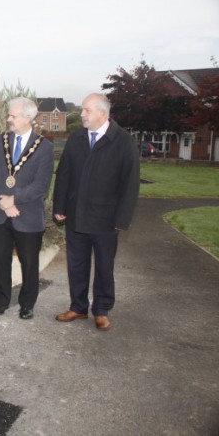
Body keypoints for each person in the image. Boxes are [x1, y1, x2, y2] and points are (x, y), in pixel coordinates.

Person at [53, 93, 140, 331]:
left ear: (102, 113)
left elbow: (130, 183)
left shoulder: (122, 141)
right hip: (76, 216)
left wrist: (122, 219)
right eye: (82, 110)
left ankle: (101, 310)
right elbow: (64, 174)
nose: (82, 114)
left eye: (87, 110)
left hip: (106, 219)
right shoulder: (77, 138)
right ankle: (78, 307)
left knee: (104, 267)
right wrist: (59, 206)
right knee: (77, 264)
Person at [0, 97, 54, 319]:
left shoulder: (44, 147)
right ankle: (1, 301)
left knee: (29, 262)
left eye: (13, 116)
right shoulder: (1, 141)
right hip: (0, 214)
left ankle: (27, 304)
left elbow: (41, 185)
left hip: (27, 215)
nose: (8, 119)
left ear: (28, 118)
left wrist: (12, 200)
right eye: (8, 115)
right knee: (1, 260)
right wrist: (4, 202)